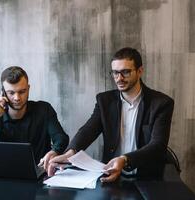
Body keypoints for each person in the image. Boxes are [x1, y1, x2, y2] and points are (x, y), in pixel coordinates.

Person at [47, 47, 174, 182]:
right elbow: (88, 130)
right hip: (111, 176)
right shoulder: (105, 101)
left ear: (140, 71)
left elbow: (158, 146)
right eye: (115, 72)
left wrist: (124, 160)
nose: (119, 78)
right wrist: (70, 153)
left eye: (125, 72)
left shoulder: (161, 103)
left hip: (147, 178)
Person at [0, 66, 69, 170]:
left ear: (28, 89)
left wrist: (54, 151)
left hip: (41, 175)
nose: (17, 98)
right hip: (6, 178)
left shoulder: (44, 110)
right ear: (3, 93)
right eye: (11, 93)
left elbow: (61, 138)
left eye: (22, 91)